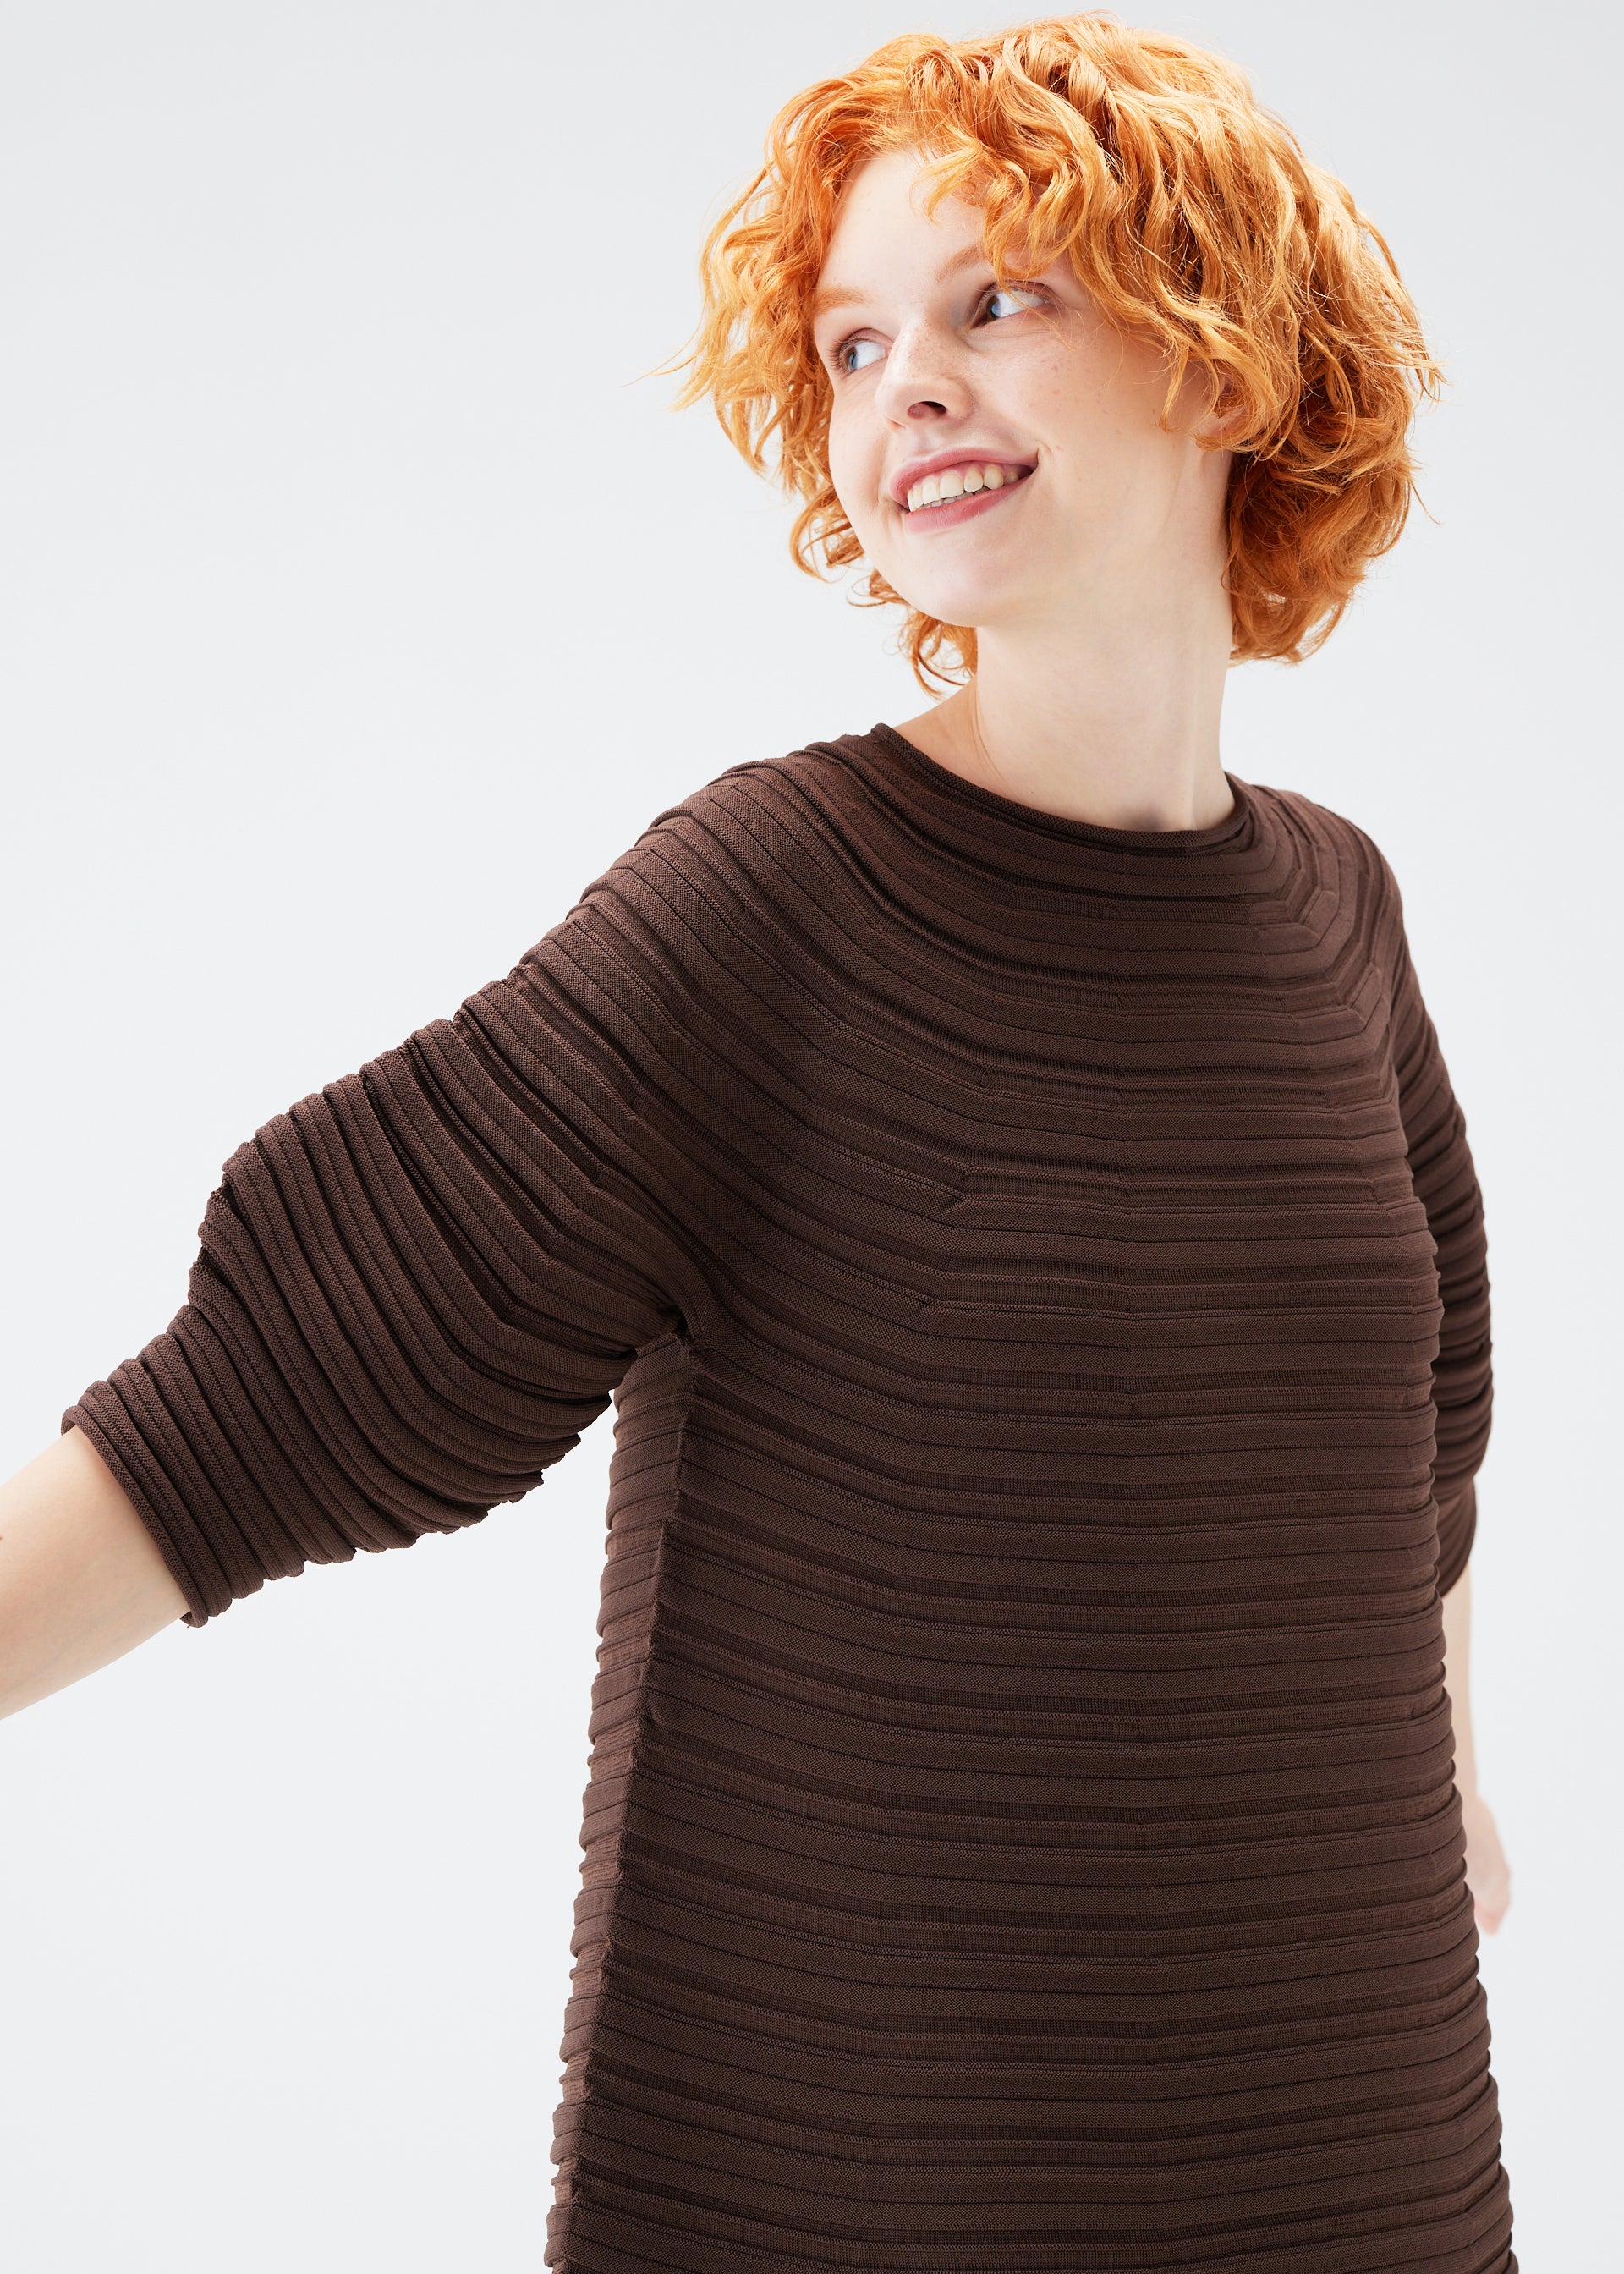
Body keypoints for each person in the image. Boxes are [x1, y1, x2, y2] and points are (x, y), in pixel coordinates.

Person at [0, 14, 1516, 2271]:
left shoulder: (1337, 912)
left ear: (1221, 349)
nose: (908, 388)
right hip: (858, 2180)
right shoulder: (776, 903)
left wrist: (1450, 1797)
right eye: (853, 342)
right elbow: (281, 1388)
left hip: (1356, 2153)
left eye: (996, 301)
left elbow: (1424, 1432)